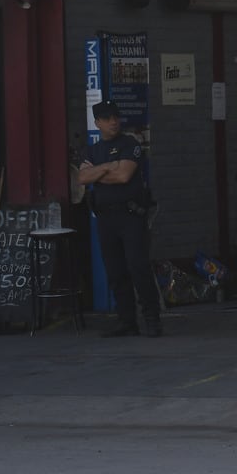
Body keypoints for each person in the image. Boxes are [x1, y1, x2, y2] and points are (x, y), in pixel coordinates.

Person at [77, 100, 162, 337]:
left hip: (130, 215)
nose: (113, 121)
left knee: (138, 267)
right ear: (97, 123)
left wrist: (98, 173)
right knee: (115, 271)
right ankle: (127, 321)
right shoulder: (92, 150)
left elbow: (124, 175)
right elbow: (82, 178)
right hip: (106, 218)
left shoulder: (130, 143)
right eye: (106, 118)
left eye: (115, 116)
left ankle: (152, 318)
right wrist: (108, 166)